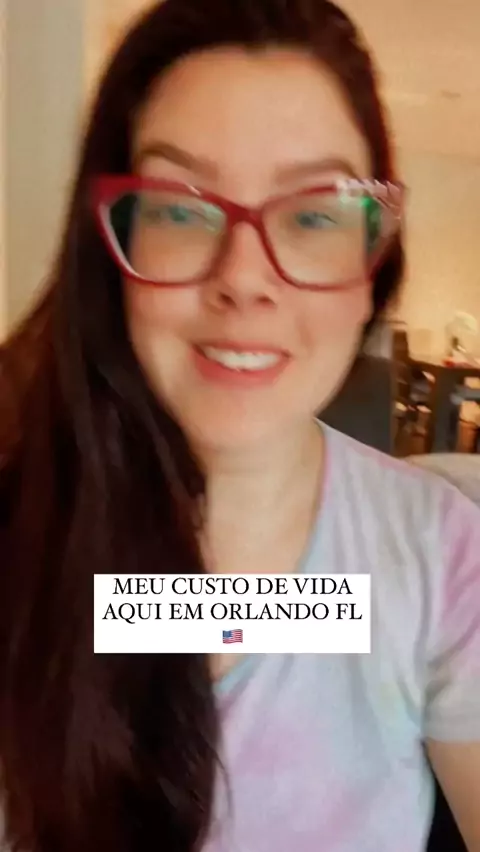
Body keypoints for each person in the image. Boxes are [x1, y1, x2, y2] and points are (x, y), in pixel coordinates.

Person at [0, 1, 479, 850]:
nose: (245, 278)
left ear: (375, 268)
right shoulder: (20, 522)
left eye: (314, 212)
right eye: (181, 209)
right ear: (109, 251)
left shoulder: (441, 553)